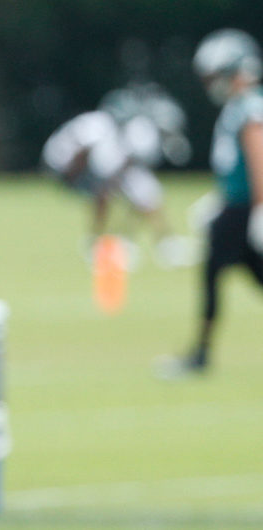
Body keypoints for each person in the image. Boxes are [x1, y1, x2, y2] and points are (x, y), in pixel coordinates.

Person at [158, 28, 263, 377]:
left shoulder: (250, 106)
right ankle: (200, 353)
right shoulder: (240, 106)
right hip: (236, 206)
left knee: (212, 273)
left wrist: (260, 209)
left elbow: (258, 158)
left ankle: (201, 354)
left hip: (244, 209)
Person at [41, 83, 196, 269]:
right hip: (65, 167)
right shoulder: (100, 125)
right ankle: (98, 242)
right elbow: (83, 153)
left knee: (142, 191)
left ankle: (152, 241)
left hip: (77, 166)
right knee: (107, 192)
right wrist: (73, 176)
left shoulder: (117, 131)